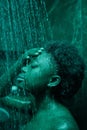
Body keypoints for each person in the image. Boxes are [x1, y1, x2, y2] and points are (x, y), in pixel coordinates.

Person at [0, 41, 85, 130]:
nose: (24, 68)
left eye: (33, 66)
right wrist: (20, 61)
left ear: (53, 80)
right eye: (26, 64)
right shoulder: (33, 106)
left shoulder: (63, 126)